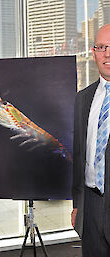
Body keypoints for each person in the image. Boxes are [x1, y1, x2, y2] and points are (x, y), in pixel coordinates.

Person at [72, 23, 110, 257]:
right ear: (93, 52)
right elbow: (79, 156)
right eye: (102, 47)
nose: (107, 53)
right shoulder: (83, 99)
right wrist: (78, 205)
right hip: (92, 205)